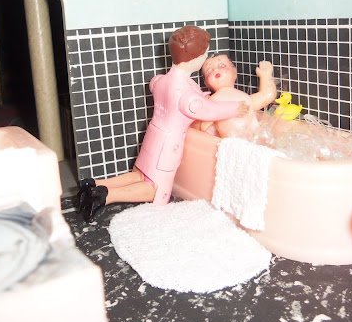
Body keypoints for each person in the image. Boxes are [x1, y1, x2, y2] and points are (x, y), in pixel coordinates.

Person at [77, 26, 249, 221]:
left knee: (141, 175)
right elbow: (208, 110)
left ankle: (92, 184)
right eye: (204, 55)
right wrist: (235, 108)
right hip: (168, 146)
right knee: (155, 189)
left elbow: (179, 96)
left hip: (153, 136)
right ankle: (104, 196)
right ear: (195, 59)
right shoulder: (186, 95)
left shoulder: (162, 80)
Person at [198, 54, 277, 138]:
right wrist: (207, 122)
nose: (215, 70)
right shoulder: (212, 102)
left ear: (234, 72)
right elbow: (205, 125)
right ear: (206, 82)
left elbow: (266, 96)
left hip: (253, 139)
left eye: (221, 66)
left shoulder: (244, 98)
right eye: (209, 70)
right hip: (231, 140)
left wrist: (265, 75)